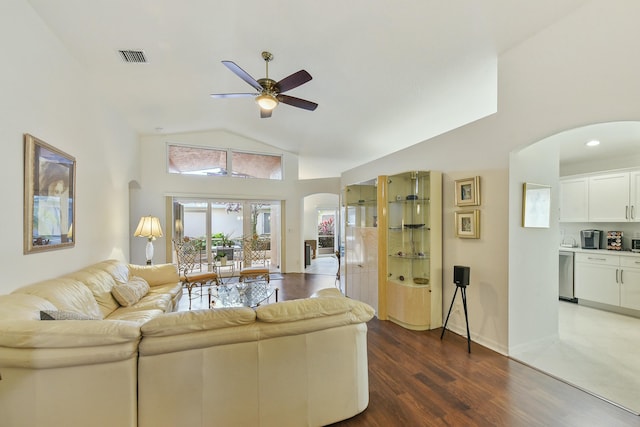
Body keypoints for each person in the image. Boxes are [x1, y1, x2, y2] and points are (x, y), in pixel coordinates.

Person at [36, 161, 70, 242]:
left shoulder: (58, 211)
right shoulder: (40, 210)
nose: (56, 197)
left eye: (59, 192)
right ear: (46, 186)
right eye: (54, 191)